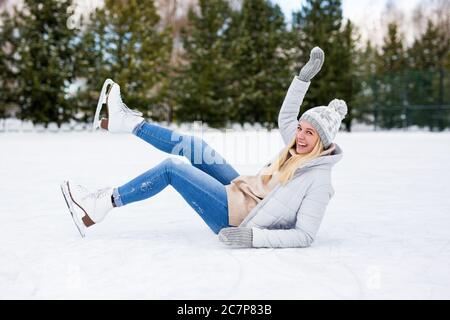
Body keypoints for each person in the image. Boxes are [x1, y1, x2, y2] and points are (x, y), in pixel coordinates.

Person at [60, 46, 347, 248]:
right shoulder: (296, 148)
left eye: (310, 133)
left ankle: (100, 205)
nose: (300, 135)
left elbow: (305, 235)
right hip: (240, 189)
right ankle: (127, 123)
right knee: (193, 145)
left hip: (237, 217)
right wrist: (302, 80)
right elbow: (287, 116)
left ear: (322, 142)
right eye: (301, 128)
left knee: (172, 169)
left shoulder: (319, 180)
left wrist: (252, 237)